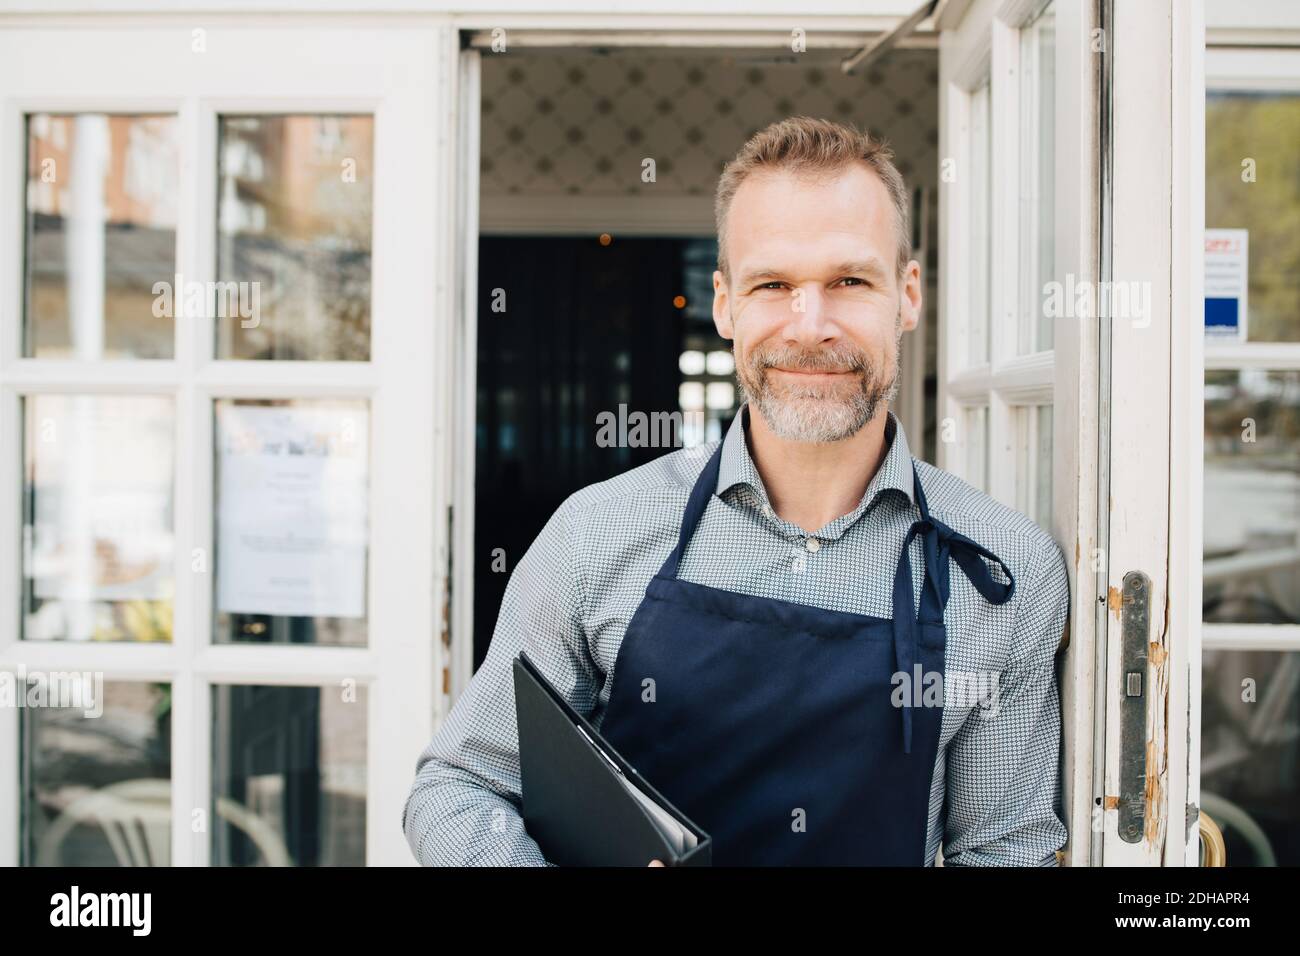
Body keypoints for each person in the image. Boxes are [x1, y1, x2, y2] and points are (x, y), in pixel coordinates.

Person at [403, 115, 1070, 866]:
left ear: (907, 296)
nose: (809, 326)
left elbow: (1003, 851)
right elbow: (462, 784)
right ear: (725, 303)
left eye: (849, 281)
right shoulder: (596, 533)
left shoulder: (1007, 570)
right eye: (773, 284)